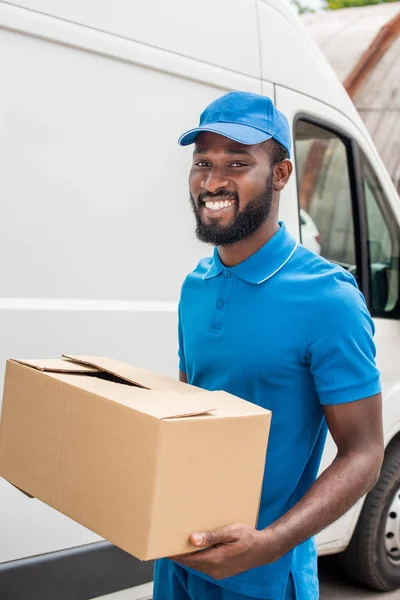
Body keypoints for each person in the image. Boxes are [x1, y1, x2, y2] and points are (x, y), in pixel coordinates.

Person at [153, 91, 384, 600]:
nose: (213, 182)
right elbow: (190, 417)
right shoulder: (196, 285)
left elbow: (364, 453)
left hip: (262, 576)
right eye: (203, 164)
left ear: (280, 174)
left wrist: (270, 543)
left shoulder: (328, 298)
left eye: (237, 163)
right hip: (175, 562)